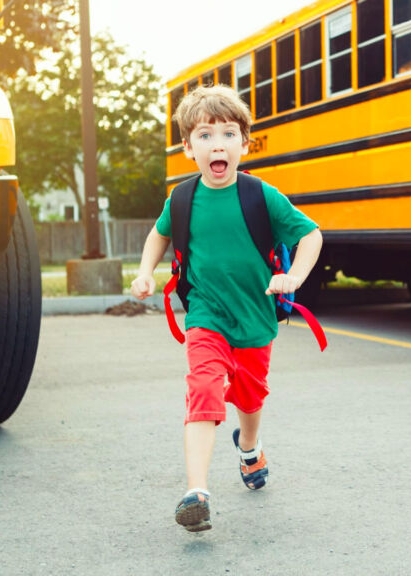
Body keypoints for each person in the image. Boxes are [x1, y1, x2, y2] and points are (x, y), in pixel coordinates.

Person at [130, 85, 323, 533]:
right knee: (203, 389)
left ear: (245, 143)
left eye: (228, 134)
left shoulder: (261, 196)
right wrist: (145, 272)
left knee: (251, 397)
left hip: (255, 318)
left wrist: (294, 277)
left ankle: (249, 446)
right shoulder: (181, 199)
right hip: (206, 315)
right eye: (204, 135)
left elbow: (310, 235)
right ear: (187, 148)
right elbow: (160, 235)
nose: (217, 143)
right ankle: (196, 493)